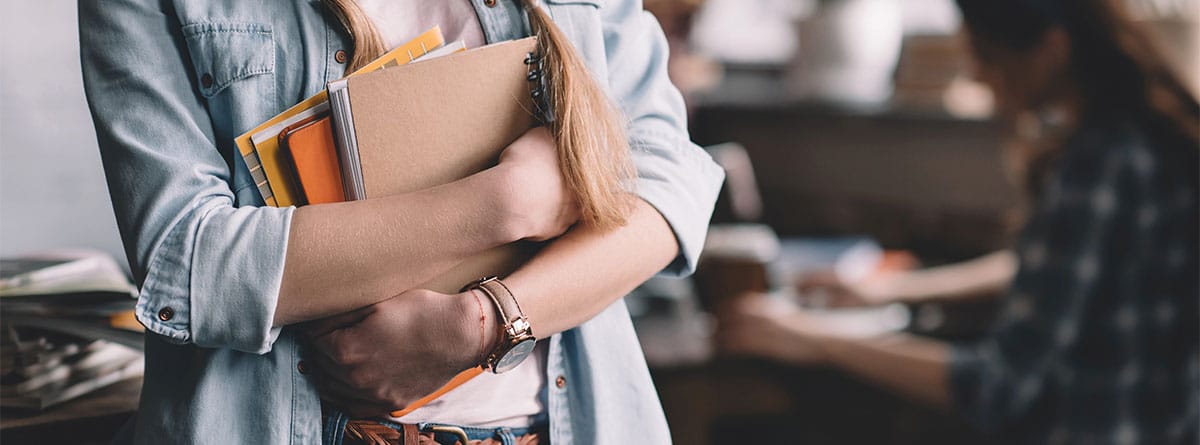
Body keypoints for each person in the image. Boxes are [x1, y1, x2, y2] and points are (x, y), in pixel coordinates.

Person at [79, 0, 724, 443]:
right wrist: (505, 203)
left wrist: (481, 326)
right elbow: (187, 261)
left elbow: (668, 187)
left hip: (566, 423)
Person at [718, 0, 1199, 443]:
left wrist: (813, 340)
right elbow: (1045, 271)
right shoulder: (1142, 138)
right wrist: (888, 290)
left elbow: (996, 387)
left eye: (987, 56)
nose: (978, 76)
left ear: (1051, 49)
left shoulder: (1100, 165)